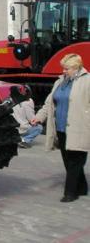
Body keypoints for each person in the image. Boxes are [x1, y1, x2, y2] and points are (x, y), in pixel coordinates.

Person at [31, 53, 90, 202]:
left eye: (67, 68)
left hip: (79, 129)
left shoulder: (87, 82)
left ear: (77, 68)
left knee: (75, 161)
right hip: (61, 129)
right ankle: (82, 188)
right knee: (68, 160)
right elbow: (49, 103)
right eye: (63, 68)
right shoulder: (60, 82)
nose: (63, 71)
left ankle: (70, 193)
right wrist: (39, 117)